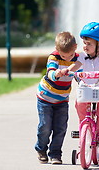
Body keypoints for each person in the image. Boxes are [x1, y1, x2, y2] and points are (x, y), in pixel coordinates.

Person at [61, 22, 99, 145]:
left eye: (89, 44)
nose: (85, 46)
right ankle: (83, 127)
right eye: (84, 43)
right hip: (87, 91)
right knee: (80, 105)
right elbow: (76, 65)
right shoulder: (83, 57)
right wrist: (67, 70)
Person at [35, 31, 79, 165]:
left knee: (60, 128)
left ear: (75, 47)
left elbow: (79, 73)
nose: (67, 59)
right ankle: (41, 149)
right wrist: (56, 74)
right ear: (57, 50)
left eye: (70, 55)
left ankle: (55, 154)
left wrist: (83, 79)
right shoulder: (53, 57)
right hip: (45, 98)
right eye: (63, 56)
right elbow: (50, 73)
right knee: (45, 126)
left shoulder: (77, 59)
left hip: (62, 99)